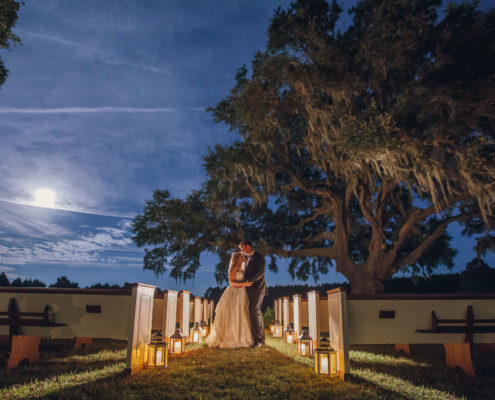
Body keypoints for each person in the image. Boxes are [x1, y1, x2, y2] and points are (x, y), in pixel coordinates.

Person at [205, 248, 254, 348]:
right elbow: (231, 282)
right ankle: (232, 337)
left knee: (242, 313)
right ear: (237, 258)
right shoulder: (234, 268)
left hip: (242, 294)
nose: (243, 257)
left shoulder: (243, 268)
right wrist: (245, 284)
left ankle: (242, 336)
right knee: (234, 313)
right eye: (241, 256)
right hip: (234, 293)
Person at [239, 240, 267, 348]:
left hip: (258, 289)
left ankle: (257, 340)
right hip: (249, 290)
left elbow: (260, 273)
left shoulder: (259, 257)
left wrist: (249, 281)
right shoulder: (247, 259)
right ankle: (261, 338)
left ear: (248, 246)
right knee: (256, 312)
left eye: (242, 248)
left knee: (253, 310)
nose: (242, 251)